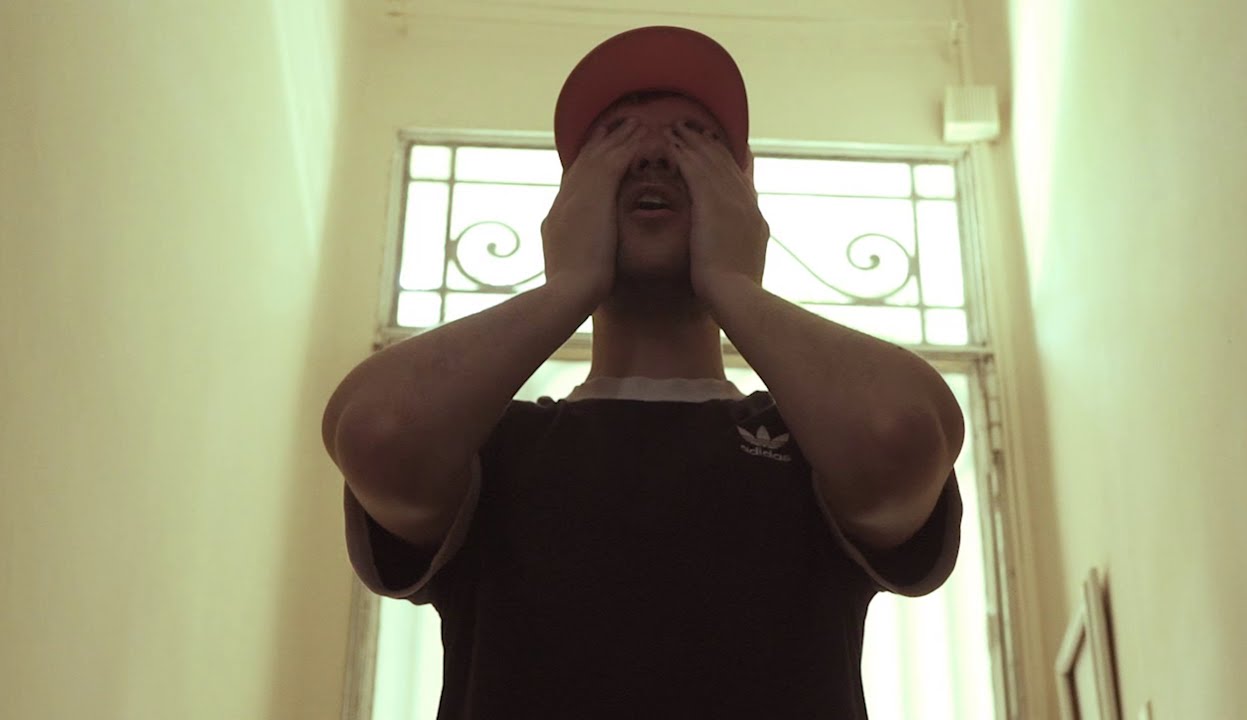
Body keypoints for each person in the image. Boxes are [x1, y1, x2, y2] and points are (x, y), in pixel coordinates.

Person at [322, 25, 966, 720]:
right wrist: (569, 285)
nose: (655, 155)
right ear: (571, 200)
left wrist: (733, 283)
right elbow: (377, 429)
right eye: (618, 138)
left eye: (695, 139)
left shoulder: (812, 439)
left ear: (742, 193)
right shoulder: (489, 443)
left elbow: (901, 433)